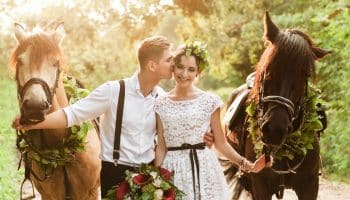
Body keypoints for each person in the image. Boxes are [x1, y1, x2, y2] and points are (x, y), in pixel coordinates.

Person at [12, 36, 175, 198]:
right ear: (152, 65)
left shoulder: (161, 97)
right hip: (117, 173)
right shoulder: (113, 91)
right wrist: (32, 124)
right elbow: (72, 114)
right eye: (169, 60)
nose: (173, 63)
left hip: (148, 174)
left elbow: (169, 137)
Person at [154, 41, 272, 200]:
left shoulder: (209, 101)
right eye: (180, 67)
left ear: (198, 73)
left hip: (205, 169)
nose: (184, 74)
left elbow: (221, 143)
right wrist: (156, 180)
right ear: (173, 67)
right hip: (173, 170)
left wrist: (248, 165)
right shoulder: (161, 103)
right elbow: (161, 146)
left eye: (191, 69)